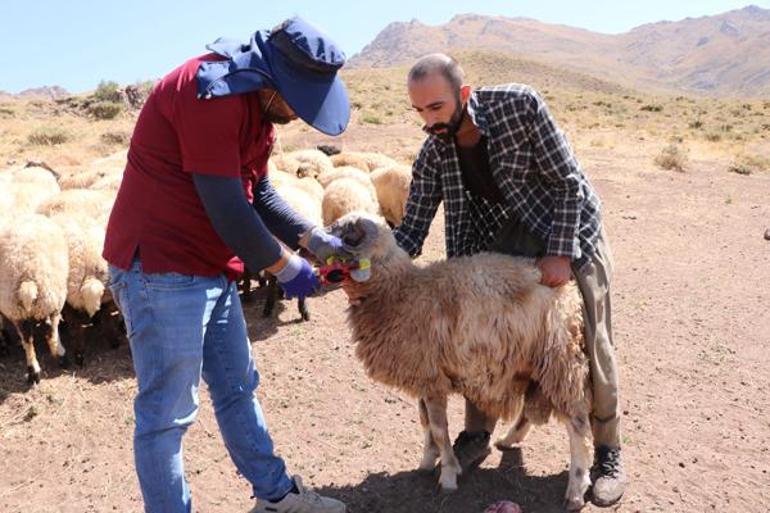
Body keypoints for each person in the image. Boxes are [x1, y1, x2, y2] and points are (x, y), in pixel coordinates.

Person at [102, 17, 349, 513]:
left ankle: (276, 497)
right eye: (297, 102)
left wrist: (311, 238)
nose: (300, 116)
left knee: (238, 387)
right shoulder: (210, 93)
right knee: (167, 415)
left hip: (209, 265)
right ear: (274, 82)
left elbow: (257, 193)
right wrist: (286, 268)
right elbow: (227, 205)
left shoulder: (258, 108)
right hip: (159, 269)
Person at [385, 53, 625, 507]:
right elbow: (411, 231)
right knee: (481, 339)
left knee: (587, 339)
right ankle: (477, 434)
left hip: (569, 225)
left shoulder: (520, 108)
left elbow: (568, 182)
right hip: (504, 241)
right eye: (418, 111)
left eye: (435, 108)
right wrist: (365, 265)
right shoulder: (434, 152)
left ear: (464, 94)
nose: (427, 120)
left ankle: (608, 451)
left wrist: (559, 252)